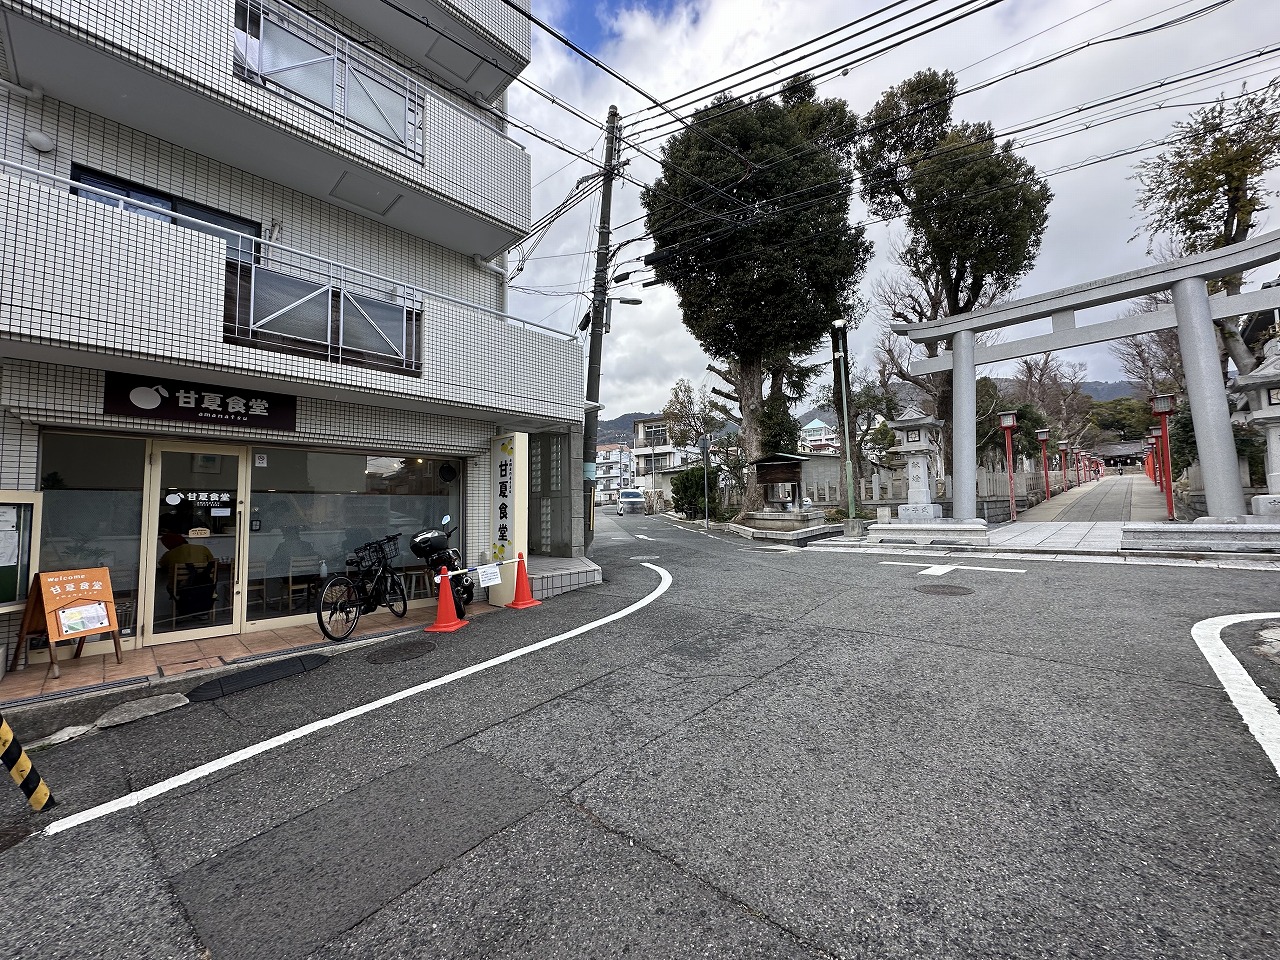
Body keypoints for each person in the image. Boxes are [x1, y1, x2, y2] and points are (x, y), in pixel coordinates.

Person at [158, 532, 217, 620]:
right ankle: (200, 612)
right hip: (205, 586)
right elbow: (213, 563)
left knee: (171, 588)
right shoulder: (203, 549)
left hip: (182, 587)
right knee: (196, 587)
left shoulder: (169, 554)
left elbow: (162, 566)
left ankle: (183, 610)